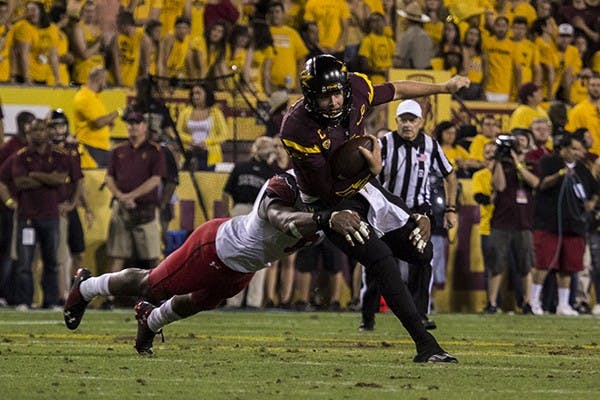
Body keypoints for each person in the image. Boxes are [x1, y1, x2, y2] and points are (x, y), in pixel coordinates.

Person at [280, 54, 468, 361]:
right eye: (325, 95)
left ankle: (388, 247)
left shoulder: (355, 88)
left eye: (338, 92)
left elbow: (398, 89)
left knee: (422, 250)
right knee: (381, 261)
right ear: (310, 96)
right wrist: (372, 169)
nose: (335, 100)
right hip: (330, 204)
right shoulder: (297, 127)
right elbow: (326, 188)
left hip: (364, 185)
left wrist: (444, 88)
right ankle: (426, 345)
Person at [64, 174, 379, 355]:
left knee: (200, 303)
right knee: (153, 284)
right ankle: (87, 286)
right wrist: (325, 218)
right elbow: (282, 219)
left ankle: (150, 321)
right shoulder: (286, 184)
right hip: (215, 247)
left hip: (244, 267)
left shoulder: (337, 206)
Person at [362, 100, 457, 329]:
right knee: (377, 263)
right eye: (403, 119)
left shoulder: (431, 145)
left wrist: (451, 209)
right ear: (396, 121)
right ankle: (368, 316)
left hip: (419, 213)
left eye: (412, 120)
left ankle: (420, 314)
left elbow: (450, 175)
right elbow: (367, 175)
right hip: (387, 212)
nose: (407, 124)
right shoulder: (384, 143)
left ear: (420, 122)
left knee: (423, 261)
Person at [9, 119, 78, 310]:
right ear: (28, 134)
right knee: (25, 263)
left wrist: (34, 175)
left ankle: (51, 301)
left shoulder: (58, 155)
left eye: (40, 129)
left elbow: (59, 179)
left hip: (50, 216)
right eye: (33, 130)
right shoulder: (21, 156)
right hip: (27, 217)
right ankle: (24, 301)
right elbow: (20, 182)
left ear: (47, 132)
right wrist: (47, 178)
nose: (37, 134)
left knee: (52, 262)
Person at [103, 108, 166, 309]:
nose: (132, 127)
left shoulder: (155, 151)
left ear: (145, 127)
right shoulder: (118, 150)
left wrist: (131, 196)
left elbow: (156, 179)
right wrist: (121, 197)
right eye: (129, 123)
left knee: (152, 255)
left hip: (146, 209)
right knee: (117, 254)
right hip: (122, 208)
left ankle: (157, 294)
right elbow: (109, 177)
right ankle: (110, 298)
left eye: (136, 123)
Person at [530, 135, 598, 316]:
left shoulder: (582, 169)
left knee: (568, 267)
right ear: (564, 149)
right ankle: (534, 302)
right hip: (549, 223)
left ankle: (563, 304)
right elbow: (541, 184)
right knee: (543, 264)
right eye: (574, 149)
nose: (578, 153)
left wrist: (591, 202)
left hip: (574, 225)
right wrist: (561, 174)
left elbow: (594, 190)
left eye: (579, 149)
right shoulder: (549, 162)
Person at [485, 134, 539, 314]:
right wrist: (500, 161)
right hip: (501, 223)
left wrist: (517, 163)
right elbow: (499, 186)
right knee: (497, 264)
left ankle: (527, 303)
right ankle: (492, 303)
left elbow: (534, 182)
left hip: (524, 224)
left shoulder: (531, 165)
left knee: (526, 265)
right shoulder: (501, 165)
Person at [222, 136, 277, 309]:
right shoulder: (241, 167)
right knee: (237, 254)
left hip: (258, 213)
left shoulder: (270, 172)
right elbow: (226, 193)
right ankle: (234, 300)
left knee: (259, 256)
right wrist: (228, 212)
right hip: (241, 210)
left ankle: (253, 301)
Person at [47, 109, 92, 302]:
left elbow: (78, 181)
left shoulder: (73, 150)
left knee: (78, 252)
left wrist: (81, 206)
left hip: (69, 206)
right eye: (55, 126)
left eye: (61, 125)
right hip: (52, 209)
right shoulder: (45, 151)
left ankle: (76, 293)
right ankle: (61, 295)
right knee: (58, 256)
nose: (59, 130)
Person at [73, 67, 123, 169]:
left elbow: (100, 120)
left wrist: (108, 122)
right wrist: (119, 112)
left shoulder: (95, 96)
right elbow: (99, 122)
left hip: (101, 147)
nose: (106, 84)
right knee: (94, 180)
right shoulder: (84, 97)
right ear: (98, 80)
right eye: (105, 80)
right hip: (90, 148)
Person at [176, 83, 229, 171]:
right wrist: (189, 140)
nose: (195, 96)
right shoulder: (184, 112)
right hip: (190, 152)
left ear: (206, 95)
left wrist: (206, 142)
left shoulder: (216, 113)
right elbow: (178, 132)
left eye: (198, 93)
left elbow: (224, 135)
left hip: (209, 155)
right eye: (193, 94)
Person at [566, 73, 600, 156]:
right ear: (587, 86)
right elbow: (571, 135)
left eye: (599, 85)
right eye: (593, 85)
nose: (596, 88)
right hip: (589, 156)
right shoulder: (578, 110)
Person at [393, 2, 434, 69]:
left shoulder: (406, 36)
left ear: (407, 20)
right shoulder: (427, 37)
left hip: (408, 73)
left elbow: (397, 61)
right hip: (425, 75)